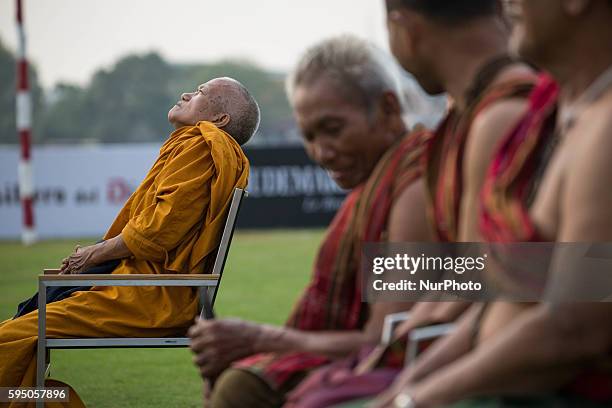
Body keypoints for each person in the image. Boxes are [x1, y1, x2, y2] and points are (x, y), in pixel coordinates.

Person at [370, 0, 612, 406]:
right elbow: (498, 293)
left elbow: (574, 327)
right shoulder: (561, 114)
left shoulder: (576, 124)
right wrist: (405, 388)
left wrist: (414, 397)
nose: (506, 4)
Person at [188, 35, 438, 407]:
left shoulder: (412, 187)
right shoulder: (376, 185)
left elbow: (386, 341)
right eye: (309, 136)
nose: (322, 153)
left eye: (333, 129)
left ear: (387, 108)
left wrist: (259, 339)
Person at [0, 77, 258, 395]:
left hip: (150, 296)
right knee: (18, 328)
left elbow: (157, 232)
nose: (186, 93)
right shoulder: (196, 145)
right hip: (137, 286)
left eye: (200, 92)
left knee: (10, 337)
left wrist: (93, 255)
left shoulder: (203, 148)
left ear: (219, 120)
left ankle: (51, 401)